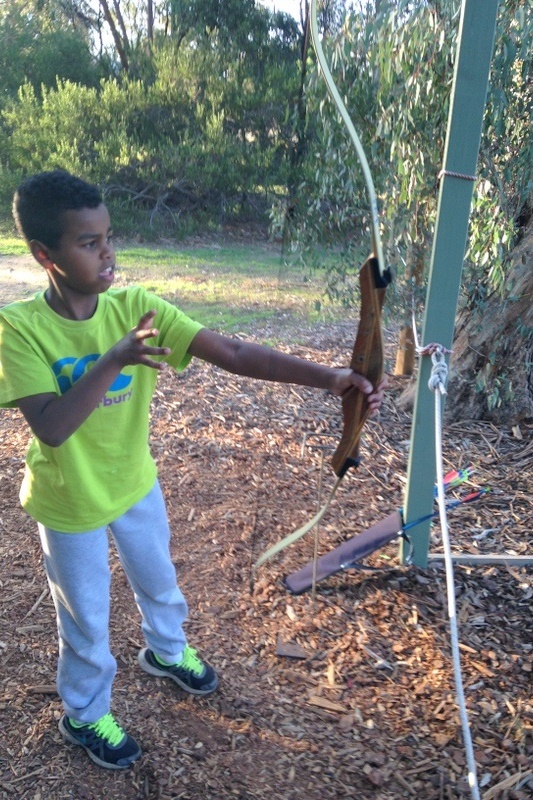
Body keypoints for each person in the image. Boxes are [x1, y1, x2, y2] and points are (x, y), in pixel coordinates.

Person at [0, 170, 386, 770]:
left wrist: (331, 378)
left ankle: (166, 650)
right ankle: (84, 712)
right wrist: (115, 357)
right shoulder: (20, 328)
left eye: (109, 236)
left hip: (135, 485)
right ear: (44, 255)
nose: (108, 253)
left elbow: (233, 353)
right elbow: (51, 426)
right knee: (85, 616)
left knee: (159, 580)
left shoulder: (137, 308)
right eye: (88, 242)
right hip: (67, 500)